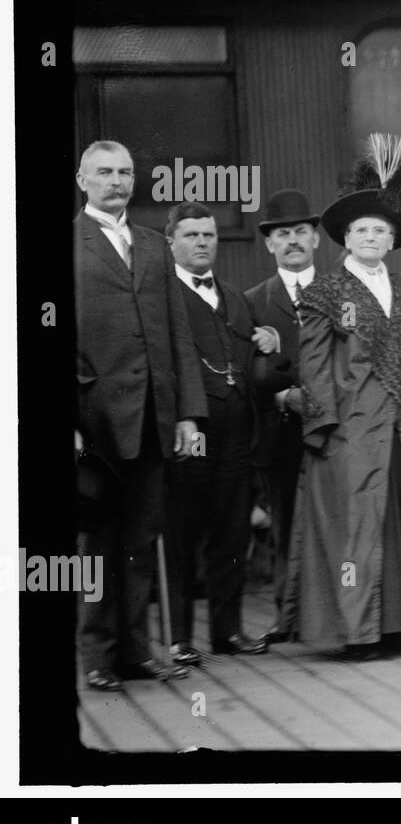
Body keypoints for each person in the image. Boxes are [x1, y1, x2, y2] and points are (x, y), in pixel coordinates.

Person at [291, 144, 401, 658]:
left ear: (392, 239)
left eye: (381, 231)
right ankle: (359, 631)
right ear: (345, 237)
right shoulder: (326, 291)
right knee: (358, 525)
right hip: (352, 431)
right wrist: (324, 427)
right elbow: (314, 366)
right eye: (362, 230)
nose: (372, 237)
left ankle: (400, 622)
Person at [74, 140, 206, 691]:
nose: (117, 181)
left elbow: (178, 334)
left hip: (153, 417)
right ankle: (97, 655)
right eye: (104, 172)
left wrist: (189, 416)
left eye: (125, 172)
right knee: (97, 541)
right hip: (95, 419)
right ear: (83, 180)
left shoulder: (153, 246)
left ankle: (136, 651)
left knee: (140, 537)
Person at [164, 201, 278, 662]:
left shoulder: (234, 297)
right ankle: (179, 638)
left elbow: (255, 353)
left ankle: (227, 631)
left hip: (236, 436)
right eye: (191, 235)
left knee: (231, 534)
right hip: (190, 435)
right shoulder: (161, 296)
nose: (201, 243)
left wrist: (269, 336)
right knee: (181, 537)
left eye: (208, 235)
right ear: (171, 241)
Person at [243, 188, 321, 645]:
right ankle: (287, 615)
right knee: (284, 522)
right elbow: (248, 372)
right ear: (269, 243)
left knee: (332, 519)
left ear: (315, 239)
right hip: (281, 431)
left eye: (300, 232)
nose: (292, 241)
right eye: (282, 234)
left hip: (332, 430)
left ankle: (329, 611)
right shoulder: (253, 301)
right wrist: (282, 397)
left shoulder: (339, 292)